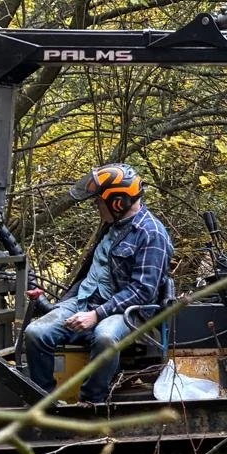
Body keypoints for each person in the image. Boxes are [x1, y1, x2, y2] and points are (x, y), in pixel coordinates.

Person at [21, 164, 174, 403]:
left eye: (99, 202)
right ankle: (44, 401)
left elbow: (143, 291)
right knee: (35, 332)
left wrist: (96, 314)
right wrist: (63, 305)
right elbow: (93, 274)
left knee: (105, 337)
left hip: (128, 312)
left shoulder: (151, 233)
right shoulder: (111, 227)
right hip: (86, 301)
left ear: (117, 202)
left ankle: (92, 401)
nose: (96, 206)